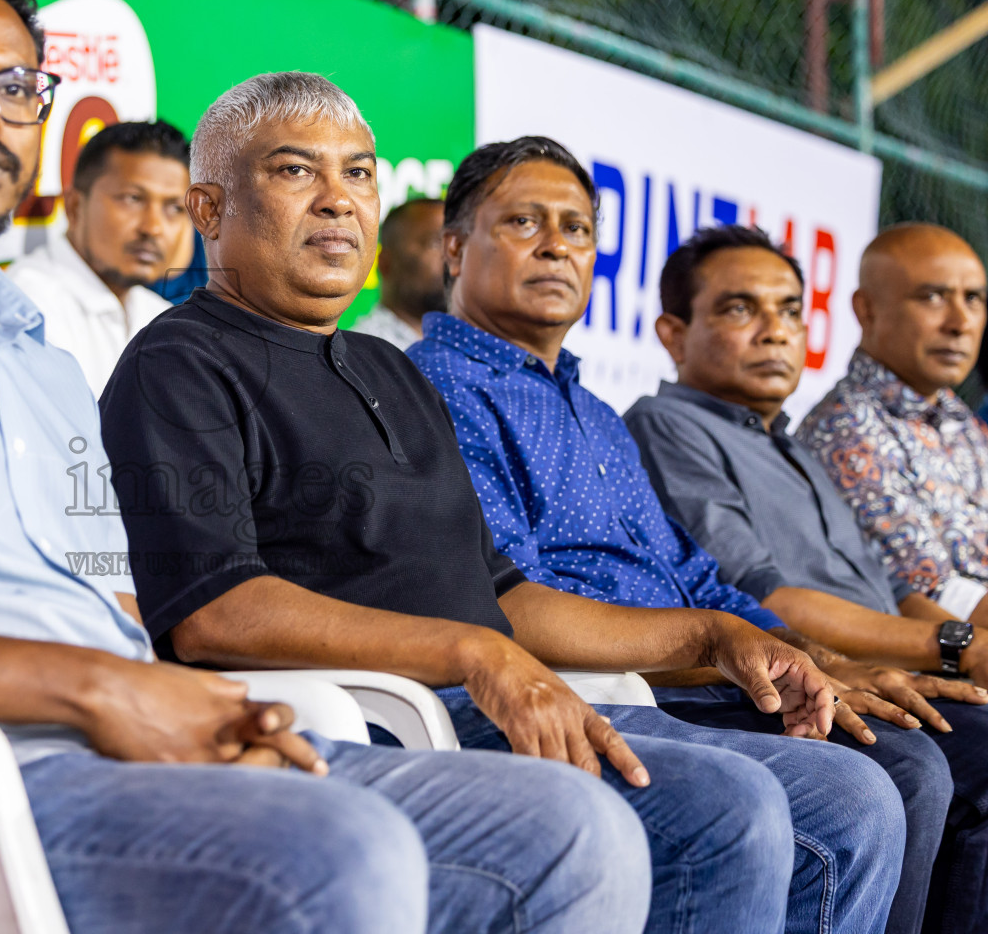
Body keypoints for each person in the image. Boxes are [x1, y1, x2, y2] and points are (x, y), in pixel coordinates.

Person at [0, 0, 657, 934]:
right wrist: (98, 689)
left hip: (129, 755)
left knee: (572, 829)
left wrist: (207, 710)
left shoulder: (39, 361)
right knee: (340, 846)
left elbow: (120, 602)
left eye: (13, 88)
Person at [100, 72, 906, 934]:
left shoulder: (391, 370)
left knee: (855, 796)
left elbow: (509, 596)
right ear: (210, 208)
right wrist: (478, 656)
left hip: (491, 689)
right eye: (297, 172)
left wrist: (714, 636)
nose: (339, 201)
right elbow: (213, 613)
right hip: (370, 714)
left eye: (361, 174)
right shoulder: (176, 364)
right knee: (722, 804)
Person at [406, 135, 961, 934]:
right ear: (456, 249)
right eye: (524, 222)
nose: (558, 244)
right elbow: (500, 600)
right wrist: (724, 648)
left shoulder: (591, 408)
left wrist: (819, 659)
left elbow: (693, 573)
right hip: (608, 685)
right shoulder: (439, 385)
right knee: (885, 776)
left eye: (577, 228)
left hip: (695, 673)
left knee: (906, 749)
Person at [626, 222, 988, 933]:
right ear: (673, 333)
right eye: (740, 309)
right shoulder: (667, 426)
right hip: (782, 674)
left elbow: (886, 594)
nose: (775, 332)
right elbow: (768, 598)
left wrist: (956, 643)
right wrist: (953, 645)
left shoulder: (792, 447)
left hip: (873, 666)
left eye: (790, 310)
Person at [797, 224, 988, 628]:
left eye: (973, 298)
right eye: (932, 296)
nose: (960, 322)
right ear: (866, 309)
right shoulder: (845, 429)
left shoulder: (958, 420)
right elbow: (931, 592)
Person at [8, 120, 183, 393]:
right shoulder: (28, 308)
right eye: (132, 199)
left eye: (174, 208)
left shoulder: (160, 315)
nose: (153, 227)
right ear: (75, 206)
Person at [350, 197, 446, 350]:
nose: (453, 258)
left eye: (458, 244)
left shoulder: (468, 347)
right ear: (386, 263)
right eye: (436, 243)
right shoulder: (364, 352)